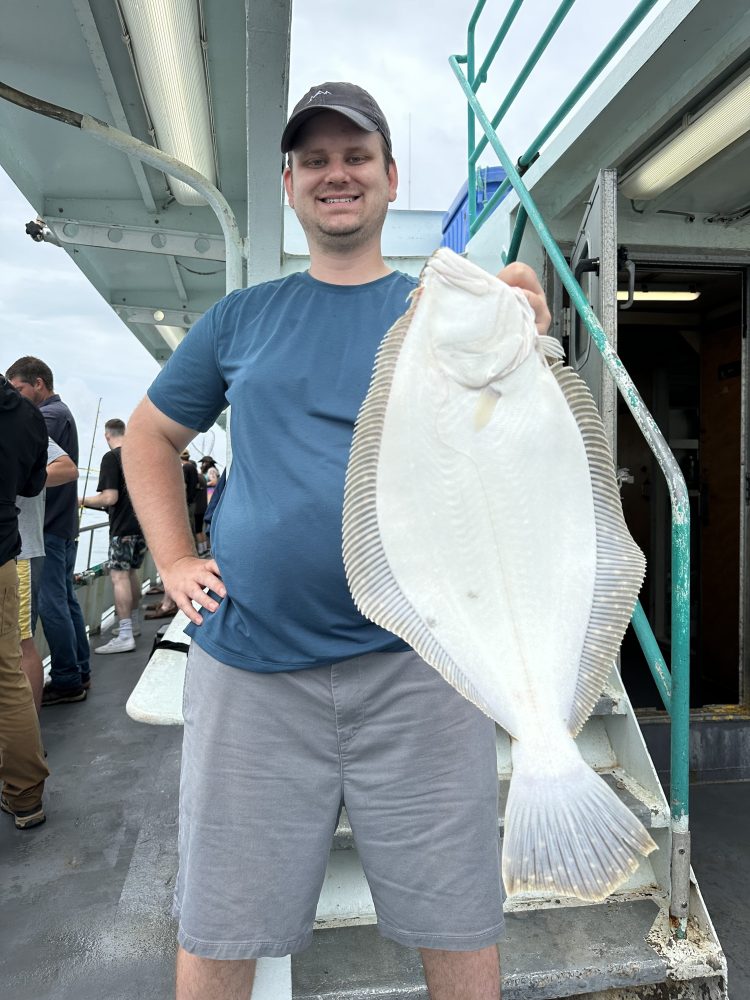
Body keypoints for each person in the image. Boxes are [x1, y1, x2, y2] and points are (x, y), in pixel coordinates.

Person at [123, 82, 551, 1000]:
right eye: (314, 160)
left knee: (461, 918)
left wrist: (516, 297)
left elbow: (511, 337)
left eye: (356, 156)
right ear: (289, 185)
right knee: (219, 919)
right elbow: (151, 435)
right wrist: (172, 558)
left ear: (392, 179)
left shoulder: (437, 305)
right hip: (251, 671)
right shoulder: (243, 317)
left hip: (422, 671)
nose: (337, 174)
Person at [6, 357, 91, 704]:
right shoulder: (60, 413)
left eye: (19, 389)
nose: (15, 398)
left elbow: (62, 468)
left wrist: (20, 482)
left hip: (46, 529)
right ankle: (79, 669)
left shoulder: (44, 418)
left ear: (38, 383)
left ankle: (69, 679)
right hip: (61, 524)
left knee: (50, 606)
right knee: (65, 601)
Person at [0, 373, 50, 829]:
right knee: (10, 673)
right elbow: (33, 486)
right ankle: (25, 794)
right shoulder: (26, 416)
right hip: (4, 553)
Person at [17, 440, 79, 709]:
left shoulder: (26, 420)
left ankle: (27, 741)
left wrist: (17, 479)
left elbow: (67, 468)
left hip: (20, 552)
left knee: (21, 643)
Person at [80, 418, 146, 654]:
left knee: (119, 577)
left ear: (107, 436)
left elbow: (110, 498)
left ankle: (126, 633)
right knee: (130, 574)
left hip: (122, 529)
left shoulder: (111, 458)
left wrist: (81, 500)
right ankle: (134, 624)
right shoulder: (137, 455)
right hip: (142, 526)